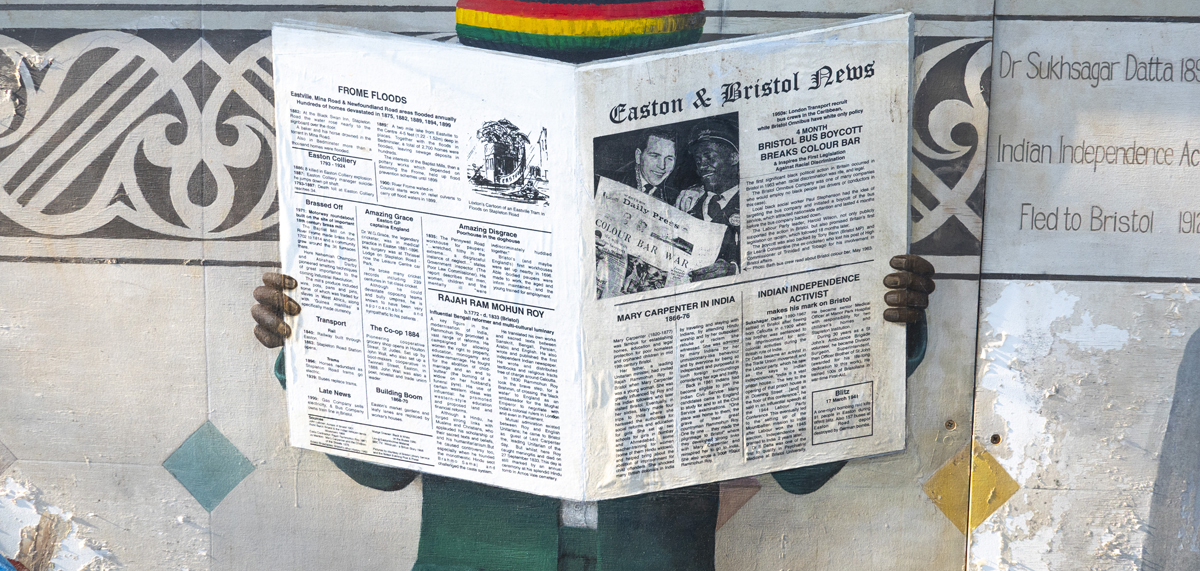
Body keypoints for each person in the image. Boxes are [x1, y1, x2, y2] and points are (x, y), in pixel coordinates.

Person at [250, 256, 936, 571]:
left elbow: (803, 473)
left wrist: (885, 335)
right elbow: (378, 472)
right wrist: (305, 346)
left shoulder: (724, 281)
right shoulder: (446, 281)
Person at [676, 120, 741, 282]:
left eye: (709, 157)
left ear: (733, 158)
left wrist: (734, 270)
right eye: (698, 161)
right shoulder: (687, 202)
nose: (702, 166)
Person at [596, 128, 681, 206]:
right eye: (655, 156)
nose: (662, 166)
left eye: (669, 159)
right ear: (638, 156)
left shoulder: (677, 199)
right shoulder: (605, 180)